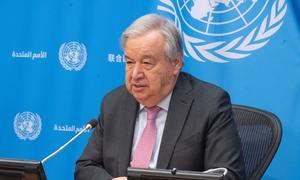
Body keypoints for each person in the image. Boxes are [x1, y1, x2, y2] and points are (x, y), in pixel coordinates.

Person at [75, 14, 245, 180]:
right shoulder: (114, 102)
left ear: (175, 64)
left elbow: (228, 175)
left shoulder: (210, 104)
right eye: (129, 62)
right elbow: (86, 166)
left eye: (147, 63)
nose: (135, 74)